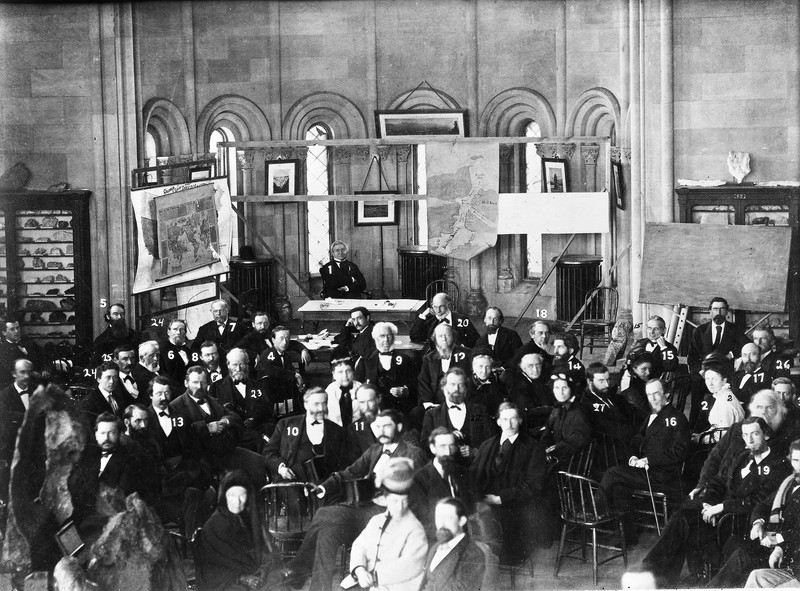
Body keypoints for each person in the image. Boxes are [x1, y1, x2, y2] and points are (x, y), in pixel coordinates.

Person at [280, 409, 425, 591]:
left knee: (324, 513)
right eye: (378, 426)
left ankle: (295, 570)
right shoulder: (375, 450)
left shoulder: (414, 454)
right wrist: (323, 487)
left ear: (400, 427)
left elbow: (422, 494)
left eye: (386, 426)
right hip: (365, 510)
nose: (381, 431)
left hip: (389, 516)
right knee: (327, 531)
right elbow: (349, 473)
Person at [640, 416, 790, 587]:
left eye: (755, 434)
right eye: (745, 435)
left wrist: (720, 508)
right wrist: (708, 504)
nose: (749, 440)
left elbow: (757, 501)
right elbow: (718, 482)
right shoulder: (741, 456)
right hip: (718, 512)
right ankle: (652, 574)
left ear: (767, 435)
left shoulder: (778, 466)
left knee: (693, 523)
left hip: (739, 521)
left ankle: (702, 577)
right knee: (682, 515)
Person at [599, 378, 690, 544]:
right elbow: (637, 439)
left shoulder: (677, 418)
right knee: (619, 486)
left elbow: (680, 452)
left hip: (664, 476)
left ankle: (596, 512)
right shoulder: (651, 416)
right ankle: (629, 536)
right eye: (649, 395)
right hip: (648, 472)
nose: (653, 398)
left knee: (613, 473)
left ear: (667, 394)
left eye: (656, 393)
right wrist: (633, 456)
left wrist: (649, 459)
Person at [471, 402, 554, 565]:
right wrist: (477, 496)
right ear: (498, 422)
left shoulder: (533, 448)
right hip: (486, 501)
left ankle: (493, 560)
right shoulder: (487, 445)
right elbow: (474, 475)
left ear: (520, 421)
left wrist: (500, 498)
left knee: (504, 551)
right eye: (504, 419)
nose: (509, 424)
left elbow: (533, 485)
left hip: (515, 505)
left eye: (513, 419)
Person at [709, 439, 800, 588]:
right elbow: (763, 505)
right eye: (796, 460)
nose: (799, 466)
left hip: (790, 554)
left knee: (742, 557)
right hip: (774, 542)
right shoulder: (790, 483)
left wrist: (779, 541)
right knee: (734, 547)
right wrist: (758, 523)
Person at [692, 389, 800, 501]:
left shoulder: (789, 439)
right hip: (716, 492)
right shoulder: (736, 430)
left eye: (770, 408)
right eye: (759, 407)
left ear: (780, 412)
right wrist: (703, 484)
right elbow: (714, 458)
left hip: (746, 504)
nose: (763, 412)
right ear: (753, 410)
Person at [169, 366, 267, 483]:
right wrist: (206, 428)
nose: (199, 387)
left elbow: (235, 417)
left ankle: (257, 499)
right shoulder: (176, 406)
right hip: (199, 457)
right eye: (195, 383)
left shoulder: (214, 401)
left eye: (203, 383)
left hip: (225, 451)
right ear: (186, 383)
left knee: (258, 462)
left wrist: (225, 421)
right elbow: (179, 435)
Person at [344, 457, 428, 591]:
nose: (400, 507)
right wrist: (359, 570)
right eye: (395, 501)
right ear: (384, 500)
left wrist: (374, 577)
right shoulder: (376, 521)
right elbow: (359, 546)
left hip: (398, 585)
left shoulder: (415, 529)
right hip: (366, 579)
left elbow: (410, 566)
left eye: (404, 501)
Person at [197, 470, 275, 591]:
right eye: (232, 496)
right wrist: (243, 578)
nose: (237, 502)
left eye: (242, 496)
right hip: (225, 583)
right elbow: (211, 568)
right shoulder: (215, 525)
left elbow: (264, 550)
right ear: (224, 497)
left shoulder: (248, 518)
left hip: (253, 575)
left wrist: (264, 567)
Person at [687, 297, 750, 428]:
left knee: (730, 394)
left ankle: (727, 428)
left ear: (727, 311)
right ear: (710, 311)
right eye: (715, 309)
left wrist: (731, 354)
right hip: (705, 374)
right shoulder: (701, 331)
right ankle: (694, 428)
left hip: (725, 375)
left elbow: (747, 346)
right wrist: (702, 371)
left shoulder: (734, 330)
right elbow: (692, 357)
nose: (718, 312)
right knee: (697, 386)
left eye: (722, 309)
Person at [264, 387, 346, 485]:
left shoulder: (337, 430)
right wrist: (281, 468)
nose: (321, 408)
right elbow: (268, 452)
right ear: (306, 405)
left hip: (325, 485)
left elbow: (343, 462)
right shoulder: (286, 424)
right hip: (291, 483)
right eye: (316, 404)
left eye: (324, 403)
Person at [411, 428, 473, 540]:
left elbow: (475, 511)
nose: (448, 452)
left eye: (452, 446)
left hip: (468, 538)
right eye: (443, 447)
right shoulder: (419, 480)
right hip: (439, 539)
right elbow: (423, 521)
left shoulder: (465, 474)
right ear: (433, 448)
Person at [420, 368, 493, 462]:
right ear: (444, 387)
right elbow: (425, 445)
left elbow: (491, 440)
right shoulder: (432, 415)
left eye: (461, 385)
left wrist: (476, 452)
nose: (456, 389)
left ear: (466, 388)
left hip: (475, 469)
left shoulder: (479, 411)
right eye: (452, 384)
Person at [209, 348, 273, 450]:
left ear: (247, 365)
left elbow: (267, 408)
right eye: (235, 365)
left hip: (257, 427)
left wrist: (255, 418)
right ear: (228, 365)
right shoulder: (217, 387)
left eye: (241, 364)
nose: (238, 369)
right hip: (233, 432)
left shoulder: (257, 385)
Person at [420, 497, 487, 591]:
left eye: (448, 518)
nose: (441, 523)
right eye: (438, 517)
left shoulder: (473, 554)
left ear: (462, 521)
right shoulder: (436, 547)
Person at [354, 322, 418, 416]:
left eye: (389, 335)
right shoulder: (365, 361)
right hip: (374, 410)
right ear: (375, 338)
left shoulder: (406, 360)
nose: (386, 340)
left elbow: (417, 386)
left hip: (401, 409)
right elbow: (357, 387)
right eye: (382, 336)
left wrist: (406, 391)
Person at [580, 361, 635, 466]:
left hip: (628, 441)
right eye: (601, 381)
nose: (607, 384)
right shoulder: (586, 405)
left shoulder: (607, 392)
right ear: (590, 382)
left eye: (608, 379)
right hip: (611, 454)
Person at [0, 359, 33, 507]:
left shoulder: (37, 391)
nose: (26, 376)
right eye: (22, 372)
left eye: (29, 372)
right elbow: (6, 421)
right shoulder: (4, 396)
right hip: (14, 449)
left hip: (35, 449)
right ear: (14, 374)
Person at [235, 311, 310, 373]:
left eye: (265, 323)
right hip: (264, 374)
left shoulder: (271, 335)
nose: (263, 326)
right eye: (259, 323)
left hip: (281, 370)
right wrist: (254, 355)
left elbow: (292, 344)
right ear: (253, 324)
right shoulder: (249, 338)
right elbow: (234, 350)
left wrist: (303, 350)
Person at [542, 373, 592, 467]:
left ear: (571, 389)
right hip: (554, 458)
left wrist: (556, 449)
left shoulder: (579, 412)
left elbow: (579, 438)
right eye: (556, 388)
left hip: (569, 464)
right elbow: (547, 434)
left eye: (564, 388)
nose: (560, 392)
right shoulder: (557, 410)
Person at [418, 322, 472, 408]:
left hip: (459, 402)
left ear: (453, 337)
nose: (444, 339)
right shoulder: (429, 359)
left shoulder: (467, 354)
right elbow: (424, 383)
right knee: (416, 414)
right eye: (440, 336)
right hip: (434, 404)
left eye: (447, 335)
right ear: (435, 339)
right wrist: (428, 404)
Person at [256, 326, 306, 416]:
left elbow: (287, 370)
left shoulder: (285, 355)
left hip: (284, 394)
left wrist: (298, 382)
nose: (285, 342)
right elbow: (270, 370)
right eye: (281, 339)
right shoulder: (268, 354)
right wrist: (295, 375)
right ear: (273, 340)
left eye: (287, 338)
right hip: (270, 396)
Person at [694, 354, 744, 440]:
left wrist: (700, 438)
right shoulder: (724, 395)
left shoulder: (725, 402)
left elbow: (722, 436)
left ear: (724, 381)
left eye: (714, 379)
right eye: (707, 379)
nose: (710, 383)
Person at [410, 292, 480, 349]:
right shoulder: (431, 320)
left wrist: (462, 347)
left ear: (448, 305)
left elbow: (476, 339)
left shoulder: (462, 319)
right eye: (435, 307)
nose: (438, 311)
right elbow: (414, 336)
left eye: (441, 306)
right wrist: (423, 315)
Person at [508, 353, 552, 435]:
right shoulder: (519, 386)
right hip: (531, 430)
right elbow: (529, 413)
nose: (535, 369)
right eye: (530, 366)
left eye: (538, 365)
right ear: (523, 368)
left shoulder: (540, 380)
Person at [0, 316, 44, 389]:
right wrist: (31, 373)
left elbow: (43, 355)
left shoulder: (28, 342)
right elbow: (9, 370)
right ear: (4, 333)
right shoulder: (2, 349)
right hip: (14, 385)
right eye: (12, 329)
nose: (16, 331)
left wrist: (45, 369)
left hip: (36, 381)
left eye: (17, 328)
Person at [633, 315, 679, 379]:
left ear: (664, 330)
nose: (652, 332)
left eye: (656, 329)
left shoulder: (669, 348)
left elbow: (670, 367)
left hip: (656, 384)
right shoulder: (640, 343)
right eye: (649, 328)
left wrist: (663, 348)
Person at [467, 352, 508, 420]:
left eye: (487, 367)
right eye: (480, 366)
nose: (484, 371)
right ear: (473, 368)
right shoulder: (468, 385)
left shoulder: (493, 379)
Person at [347, 383, 380, 463]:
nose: (366, 407)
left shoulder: (396, 419)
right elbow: (355, 461)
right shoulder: (354, 428)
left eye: (370, 401)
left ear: (378, 399)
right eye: (362, 402)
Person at [159, 318, 194, 389]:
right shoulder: (162, 350)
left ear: (185, 332)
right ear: (168, 332)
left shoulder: (189, 350)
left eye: (182, 329)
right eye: (175, 329)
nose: (178, 332)